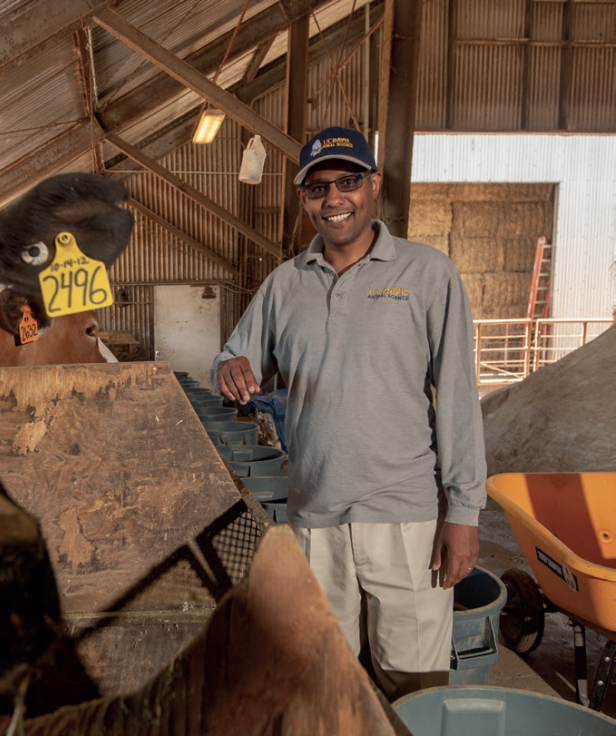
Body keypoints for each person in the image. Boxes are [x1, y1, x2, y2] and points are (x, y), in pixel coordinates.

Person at [210, 126, 486, 701]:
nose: (333, 199)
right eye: (317, 188)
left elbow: (458, 396)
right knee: (324, 681)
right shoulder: (285, 285)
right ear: (303, 199)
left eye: (348, 182)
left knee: (414, 686)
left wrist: (463, 510)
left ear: (374, 186)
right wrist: (229, 366)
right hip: (315, 515)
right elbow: (234, 353)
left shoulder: (427, 275)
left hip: (405, 517)